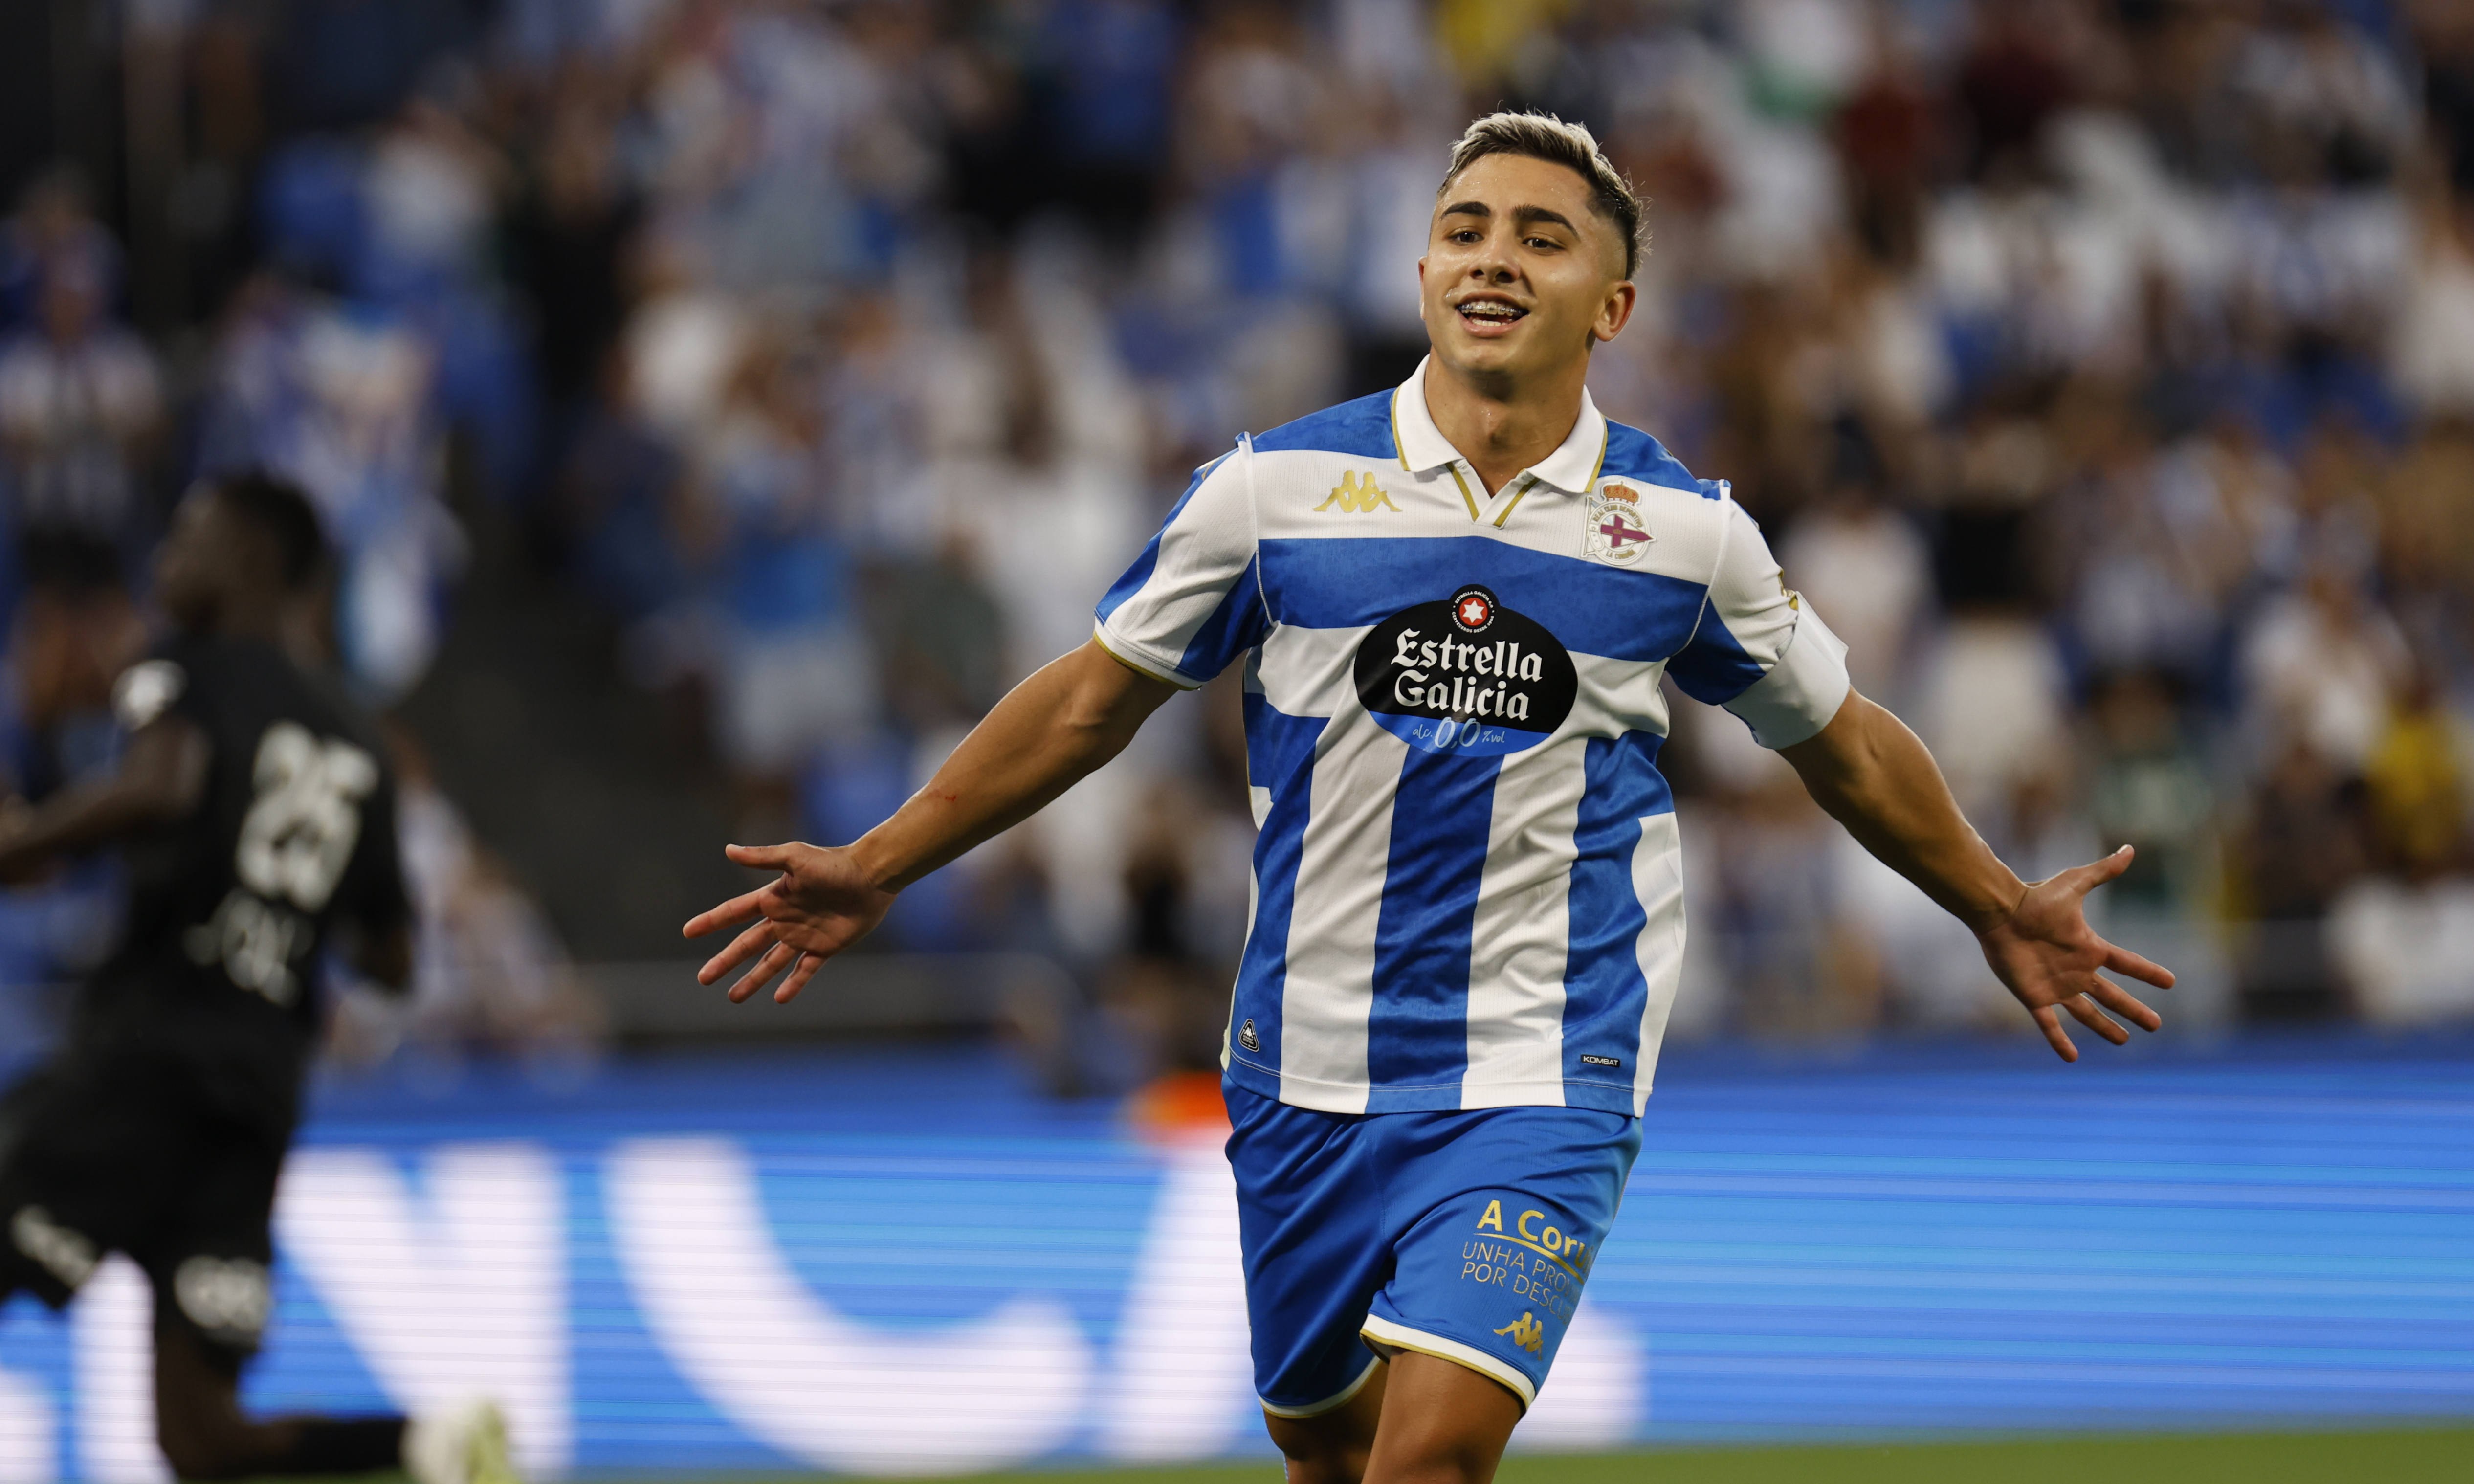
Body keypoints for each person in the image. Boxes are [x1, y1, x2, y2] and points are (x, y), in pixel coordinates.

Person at [686, 113, 2172, 1484]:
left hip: (1544, 1060)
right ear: (1421, 275)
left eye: (1541, 236)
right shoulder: (1270, 493)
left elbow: (1842, 743)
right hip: (1304, 1066)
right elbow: (1090, 699)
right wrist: (883, 860)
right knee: (1329, 1455)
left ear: (1612, 306)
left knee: (1428, 1463)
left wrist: (1994, 901)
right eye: (1465, 229)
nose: (1493, 257)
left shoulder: (1681, 534)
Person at [0, 473, 514, 1484]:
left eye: (187, 537)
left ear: (248, 560)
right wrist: (287, 907)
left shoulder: (183, 663)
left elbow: (163, 785)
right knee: (201, 1436)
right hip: (255, 1100)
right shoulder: (361, 742)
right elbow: (393, 959)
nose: (165, 559)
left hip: (145, 1063)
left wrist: (20, 845)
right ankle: (429, 1447)